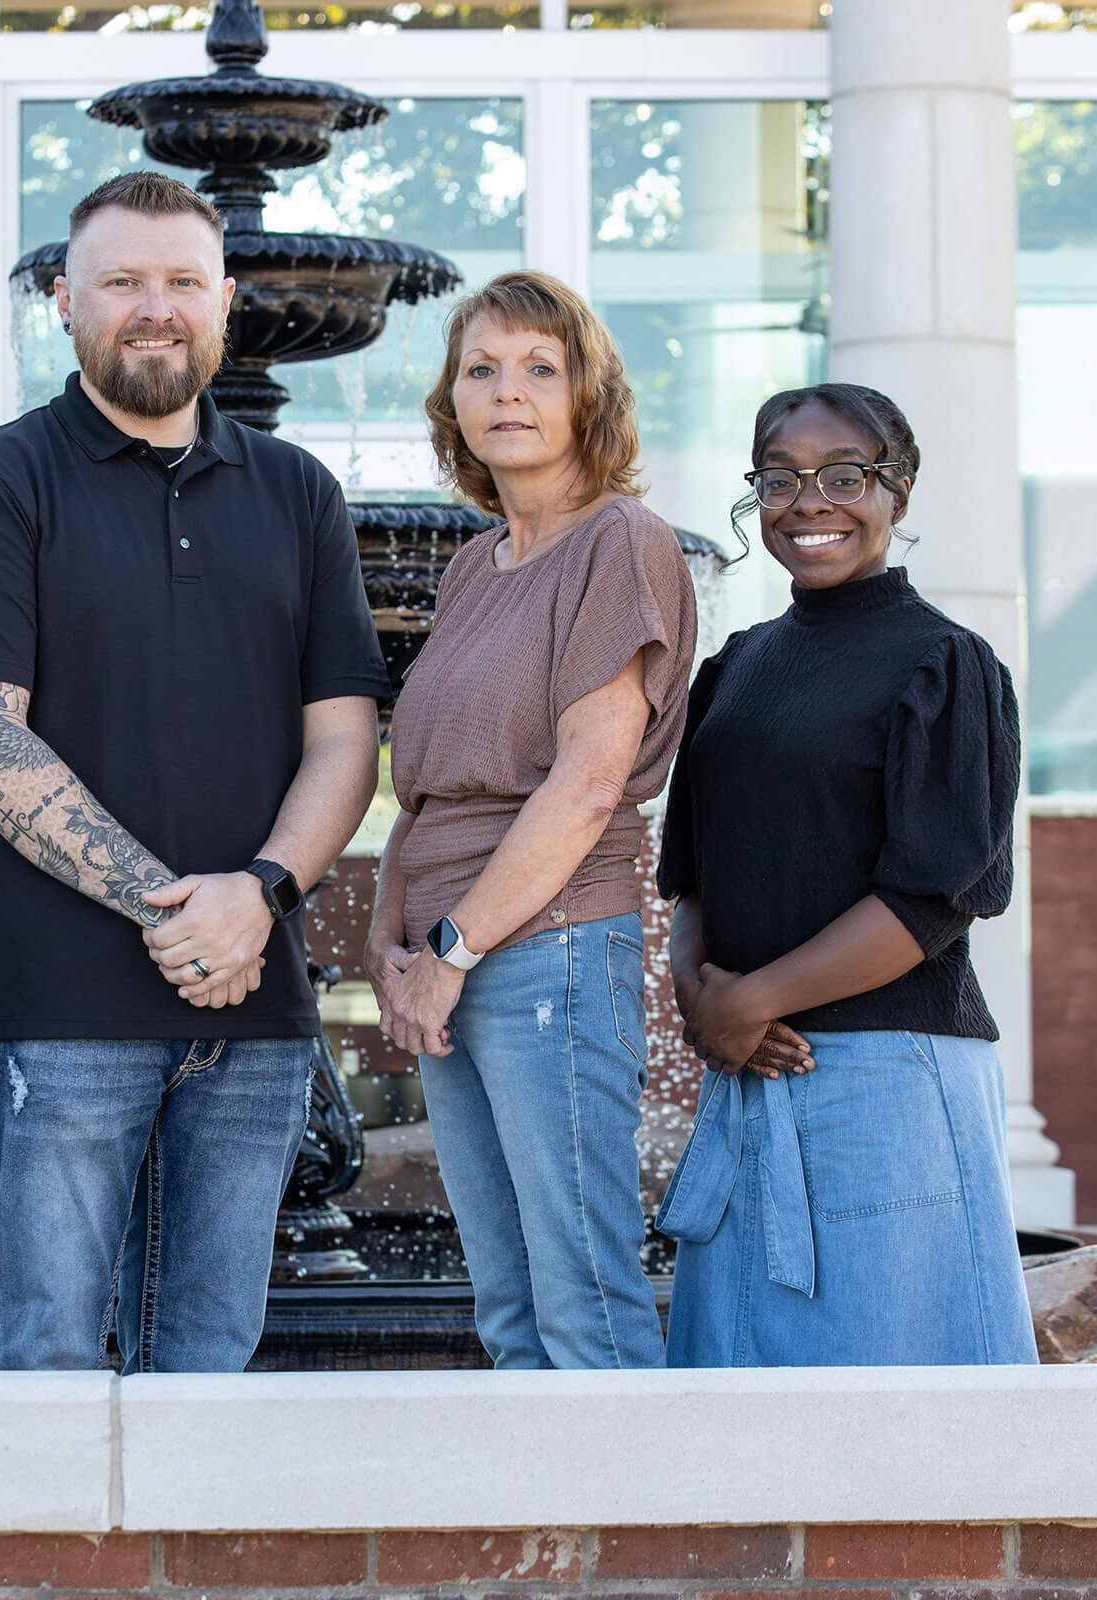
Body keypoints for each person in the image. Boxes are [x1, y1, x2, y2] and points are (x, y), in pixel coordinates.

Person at [0, 172, 389, 1374]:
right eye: (121, 281)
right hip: (61, 1011)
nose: (152, 307)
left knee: (211, 1358)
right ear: (65, 302)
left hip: (258, 1013)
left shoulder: (299, 493)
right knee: (51, 1360)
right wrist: (176, 912)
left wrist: (255, 898)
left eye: (180, 281)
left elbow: (347, 736)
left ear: (224, 302)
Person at [654, 381, 1035, 1367]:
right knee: (737, 1413)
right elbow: (692, 872)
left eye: (842, 476)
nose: (808, 502)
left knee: (892, 1416)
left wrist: (755, 1000)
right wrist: (700, 1001)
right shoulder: (736, 666)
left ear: (896, 492)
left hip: (884, 1082)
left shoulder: (944, 665)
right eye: (779, 478)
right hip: (746, 1072)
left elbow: (936, 896)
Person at [366, 270, 698, 1369]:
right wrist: (396, 942)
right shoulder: (474, 567)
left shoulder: (621, 542)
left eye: (540, 369)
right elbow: (425, 791)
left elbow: (588, 783)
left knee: (582, 1294)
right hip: (448, 956)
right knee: (505, 1298)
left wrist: (454, 948)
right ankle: (549, 1539)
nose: (509, 391)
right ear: (453, 400)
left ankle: (634, 1539)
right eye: (482, 369)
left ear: (586, 394)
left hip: (547, 949)